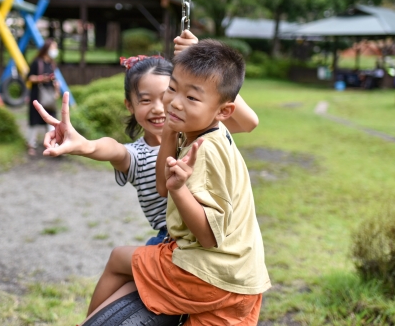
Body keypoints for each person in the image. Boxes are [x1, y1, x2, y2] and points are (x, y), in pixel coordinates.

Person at [81, 39, 270, 325]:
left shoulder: (204, 150)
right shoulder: (204, 128)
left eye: (191, 98)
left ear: (223, 111)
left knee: (119, 258)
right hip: (242, 276)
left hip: (205, 273)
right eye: (172, 88)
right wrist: (170, 130)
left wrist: (180, 189)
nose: (173, 102)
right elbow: (161, 186)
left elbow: (207, 236)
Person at [33, 31, 259, 246]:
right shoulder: (137, 155)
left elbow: (248, 122)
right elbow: (114, 149)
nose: (160, 108)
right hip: (170, 238)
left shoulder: (197, 132)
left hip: (207, 238)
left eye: (169, 94)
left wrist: (209, 75)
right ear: (130, 106)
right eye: (145, 100)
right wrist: (86, 145)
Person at [27, 38, 60, 156]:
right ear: (47, 49)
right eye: (53, 47)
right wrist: (41, 78)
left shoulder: (51, 64)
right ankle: (31, 144)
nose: (55, 50)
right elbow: (29, 78)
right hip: (37, 95)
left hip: (49, 96)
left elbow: (54, 78)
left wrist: (56, 88)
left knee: (52, 120)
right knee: (34, 120)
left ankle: (53, 145)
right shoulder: (37, 62)